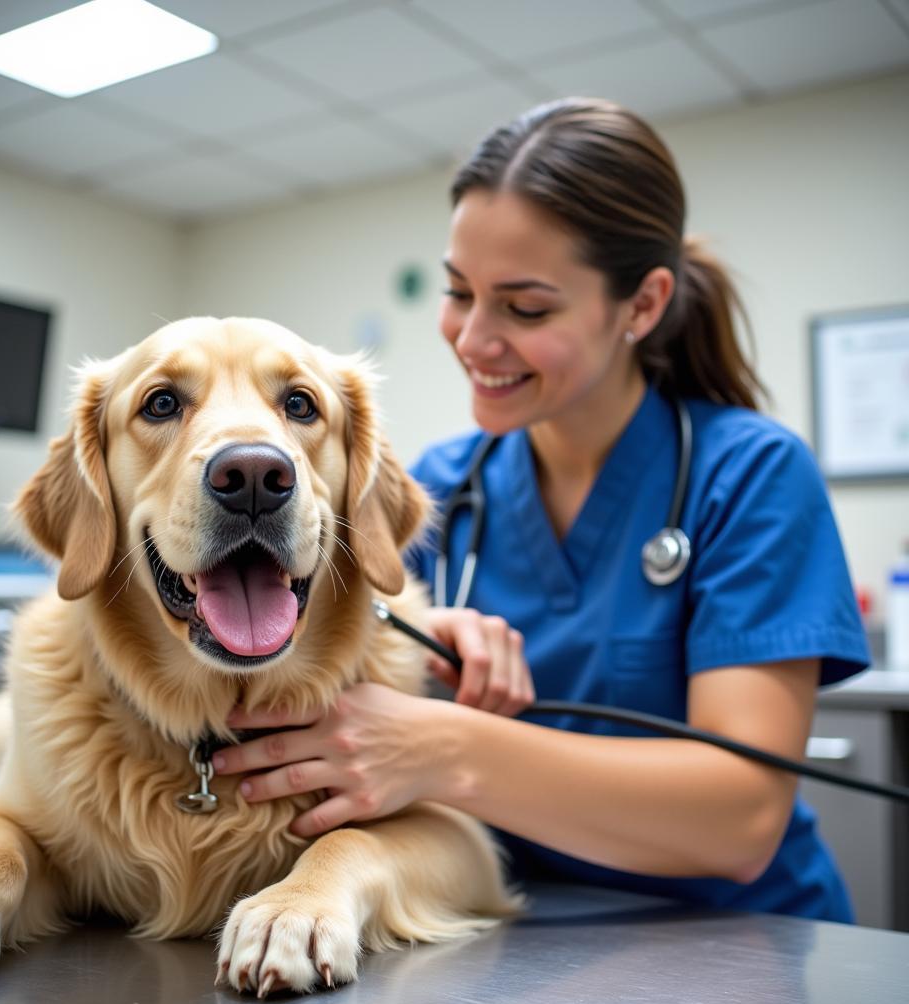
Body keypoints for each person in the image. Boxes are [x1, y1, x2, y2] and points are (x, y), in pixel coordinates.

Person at [212, 97, 870, 922]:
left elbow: (738, 818)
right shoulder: (437, 484)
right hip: (512, 933)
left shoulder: (750, 476)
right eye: (459, 293)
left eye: (526, 308)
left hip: (741, 949)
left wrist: (442, 746)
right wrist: (411, 634)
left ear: (641, 304)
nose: (473, 339)